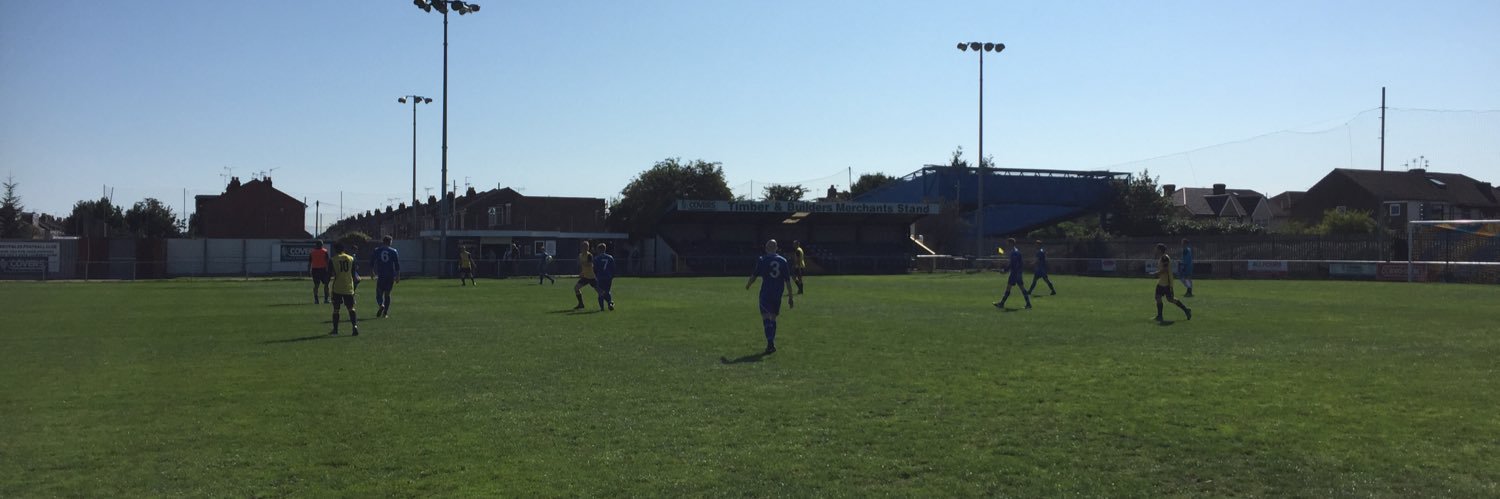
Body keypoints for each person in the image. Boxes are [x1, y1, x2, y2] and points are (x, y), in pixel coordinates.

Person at [746, 239, 794, 354]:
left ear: (766, 248)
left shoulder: (762, 260)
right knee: (773, 317)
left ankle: (770, 343)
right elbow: (788, 281)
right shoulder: (783, 261)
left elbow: (754, 275)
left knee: (765, 317)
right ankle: (771, 343)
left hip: (766, 293)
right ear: (776, 248)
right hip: (778, 293)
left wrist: (748, 284)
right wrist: (790, 297)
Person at [1154, 242, 1193, 322]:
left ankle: (1186, 310)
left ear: (1160, 250)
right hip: (1161, 282)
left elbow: (1165, 269)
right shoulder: (1162, 257)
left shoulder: (1165, 257)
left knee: (1170, 299)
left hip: (1167, 283)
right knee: (1158, 297)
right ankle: (1159, 316)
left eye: (1157, 249)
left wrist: (1156, 273)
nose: (1155, 250)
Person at [328, 242, 360, 336]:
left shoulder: (333, 259)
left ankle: (335, 330)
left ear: (335, 250)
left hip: (337, 287)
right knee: (351, 308)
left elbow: (329, 274)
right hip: (348, 286)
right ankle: (354, 326)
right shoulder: (351, 258)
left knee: (336, 309)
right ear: (344, 249)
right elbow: (354, 274)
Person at [994, 238, 1032, 310]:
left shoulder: (1014, 252)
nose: (1007, 244)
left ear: (1011, 243)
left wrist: (1005, 270)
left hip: (1015, 273)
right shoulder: (1016, 251)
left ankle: (1001, 304)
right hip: (1018, 273)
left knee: (1009, 288)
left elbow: (1013, 264)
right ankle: (1028, 304)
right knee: (1022, 288)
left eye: (1008, 243)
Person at [369, 235, 400, 318]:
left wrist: (372, 272)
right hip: (390, 275)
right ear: (390, 242)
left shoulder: (377, 250)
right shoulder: (393, 251)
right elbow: (397, 264)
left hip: (381, 275)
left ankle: (380, 305)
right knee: (387, 294)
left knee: (379, 293)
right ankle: (385, 313)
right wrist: (397, 276)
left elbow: (372, 261)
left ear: (383, 242)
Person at [572, 241, 597, 310]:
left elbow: (590, 265)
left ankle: (609, 302)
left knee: (599, 291)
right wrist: (582, 272)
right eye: (584, 246)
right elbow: (582, 265)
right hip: (585, 276)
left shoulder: (589, 255)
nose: (586, 248)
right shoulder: (580, 255)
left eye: (587, 247)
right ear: (581, 247)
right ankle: (581, 304)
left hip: (591, 276)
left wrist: (583, 263)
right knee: (576, 288)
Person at [593, 242, 616, 311]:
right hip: (608, 277)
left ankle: (602, 308)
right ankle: (609, 303)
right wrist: (612, 275)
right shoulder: (610, 257)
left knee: (600, 292)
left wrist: (595, 276)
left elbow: (595, 269)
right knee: (607, 291)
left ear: (599, 249)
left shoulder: (596, 258)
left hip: (600, 277)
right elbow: (613, 268)